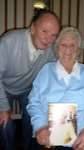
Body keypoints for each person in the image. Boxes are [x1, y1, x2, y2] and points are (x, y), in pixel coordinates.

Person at [27, 26, 84, 150]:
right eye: (64, 45)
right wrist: (40, 127)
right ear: (57, 47)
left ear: (78, 49)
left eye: (73, 46)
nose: (68, 50)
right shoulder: (46, 71)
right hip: (49, 137)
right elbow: (33, 103)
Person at [0, 9, 60, 150]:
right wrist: (3, 108)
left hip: (28, 90)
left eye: (53, 35)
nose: (48, 39)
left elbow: (55, 76)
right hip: (3, 87)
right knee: (5, 124)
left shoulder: (51, 51)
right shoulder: (8, 41)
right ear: (32, 28)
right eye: (44, 31)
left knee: (32, 120)